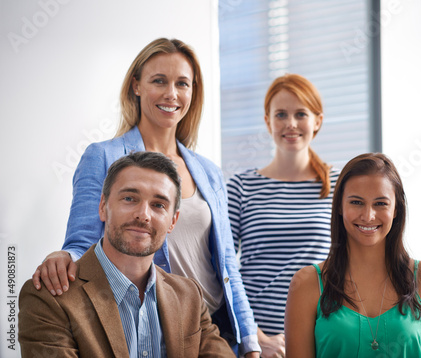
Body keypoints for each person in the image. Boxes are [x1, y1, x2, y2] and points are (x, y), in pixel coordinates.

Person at [31, 38, 259, 356]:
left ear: (194, 91)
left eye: (182, 83)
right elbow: (82, 240)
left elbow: (227, 265)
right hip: (158, 325)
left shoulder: (207, 170)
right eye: (159, 81)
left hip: (214, 328)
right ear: (136, 86)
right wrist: (63, 257)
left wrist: (251, 343)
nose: (171, 94)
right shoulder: (104, 156)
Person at [19, 151, 235, 357]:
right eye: (130, 198)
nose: (143, 215)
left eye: (158, 205)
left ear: (173, 221)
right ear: (103, 206)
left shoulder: (189, 295)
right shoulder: (49, 298)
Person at [284, 153, 421, 357]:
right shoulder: (306, 283)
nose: (368, 216)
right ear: (340, 207)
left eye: (380, 203)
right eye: (357, 202)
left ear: (396, 209)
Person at [227, 74, 340, 357]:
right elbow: (223, 270)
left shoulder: (340, 184)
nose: (291, 123)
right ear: (268, 122)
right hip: (259, 343)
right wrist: (256, 338)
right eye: (281, 114)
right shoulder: (241, 187)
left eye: (300, 114)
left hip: (325, 332)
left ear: (318, 121)